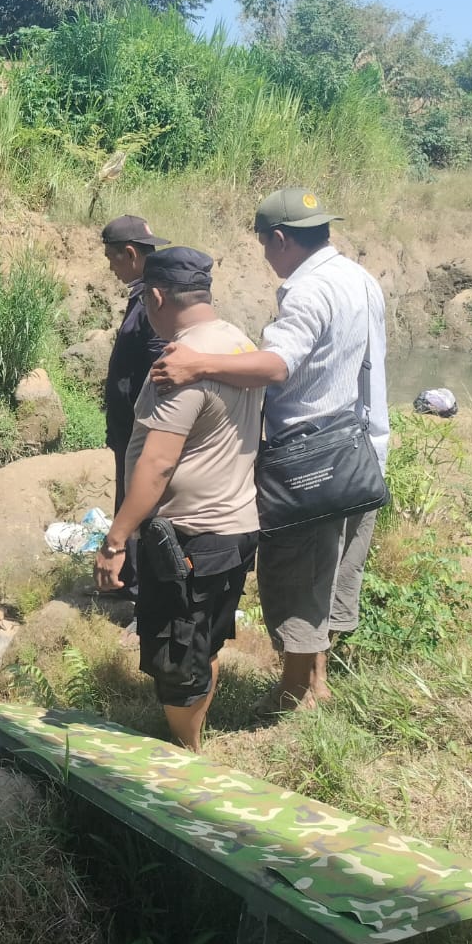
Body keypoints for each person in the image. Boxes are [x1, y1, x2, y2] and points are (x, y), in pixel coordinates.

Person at [151, 188, 388, 712]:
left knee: (297, 573)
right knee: (330, 572)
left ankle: (292, 695)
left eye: (264, 245)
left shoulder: (307, 290)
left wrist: (199, 365)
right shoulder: (359, 278)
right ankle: (317, 685)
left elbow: (278, 365)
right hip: (359, 451)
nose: (265, 257)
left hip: (310, 461)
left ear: (279, 240)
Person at [95, 247, 262, 752]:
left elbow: (157, 463)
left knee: (177, 657)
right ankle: (194, 734)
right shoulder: (238, 344)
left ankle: (186, 755)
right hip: (235, 525)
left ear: (157, 296)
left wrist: (115, 539)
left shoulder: (180, 365)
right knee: (203, 640)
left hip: (190, 535)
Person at [101, 215, 171, 600]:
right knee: (127, 496)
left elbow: (159, 365)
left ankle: (141, 592)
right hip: (130, 427)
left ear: (130, 254)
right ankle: (124, 579)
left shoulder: (153, 302)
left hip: (142, 428)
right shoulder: (144, 297)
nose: (111, 268)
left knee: (141, 503)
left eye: (112, 259)